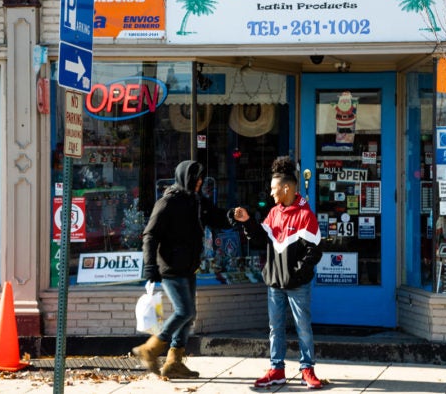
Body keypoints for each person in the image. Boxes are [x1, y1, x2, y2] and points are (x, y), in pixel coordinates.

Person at [231, 156, 324, 389]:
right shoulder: (274, 213)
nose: (271, 194)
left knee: (303, 326)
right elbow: (262, 238)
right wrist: (248, 221)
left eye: (274, 189)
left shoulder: (306, 216)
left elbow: (315, 252)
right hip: (274, 282)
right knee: (275, 327)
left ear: (286, 188)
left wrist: (296, 275)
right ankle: (276, 370)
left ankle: (307, 369)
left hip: (297, 284)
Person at [133, 160, 231, 379]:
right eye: (194, 178)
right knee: (184, 311)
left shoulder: (196, 201)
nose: (198, 182)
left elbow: (216, 216)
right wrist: (150, 265)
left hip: (188, 267)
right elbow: (150, 235)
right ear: (183, 177)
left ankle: (174, 362)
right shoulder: (167, 202)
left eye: (200, 178)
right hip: (170, 267)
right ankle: (150, 348)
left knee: (189, 314)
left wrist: (234, 217)